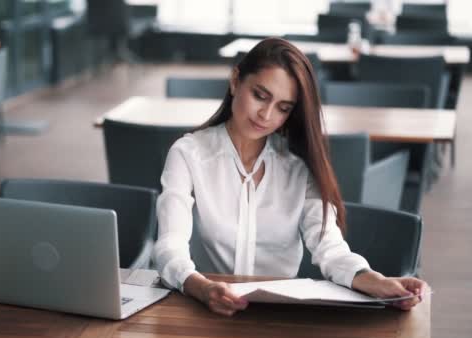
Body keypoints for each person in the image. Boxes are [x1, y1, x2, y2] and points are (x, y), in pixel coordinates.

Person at [152, 37, 427, 316]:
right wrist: (203, 288)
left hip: (280, 317)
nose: (266, 115)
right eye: (260, 95)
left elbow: (329, 248)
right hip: (206, 310)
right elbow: (169, 247)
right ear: (236, 81)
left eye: (283, 108)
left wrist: (376, 281)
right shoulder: (188, 154)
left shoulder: (299, 164)